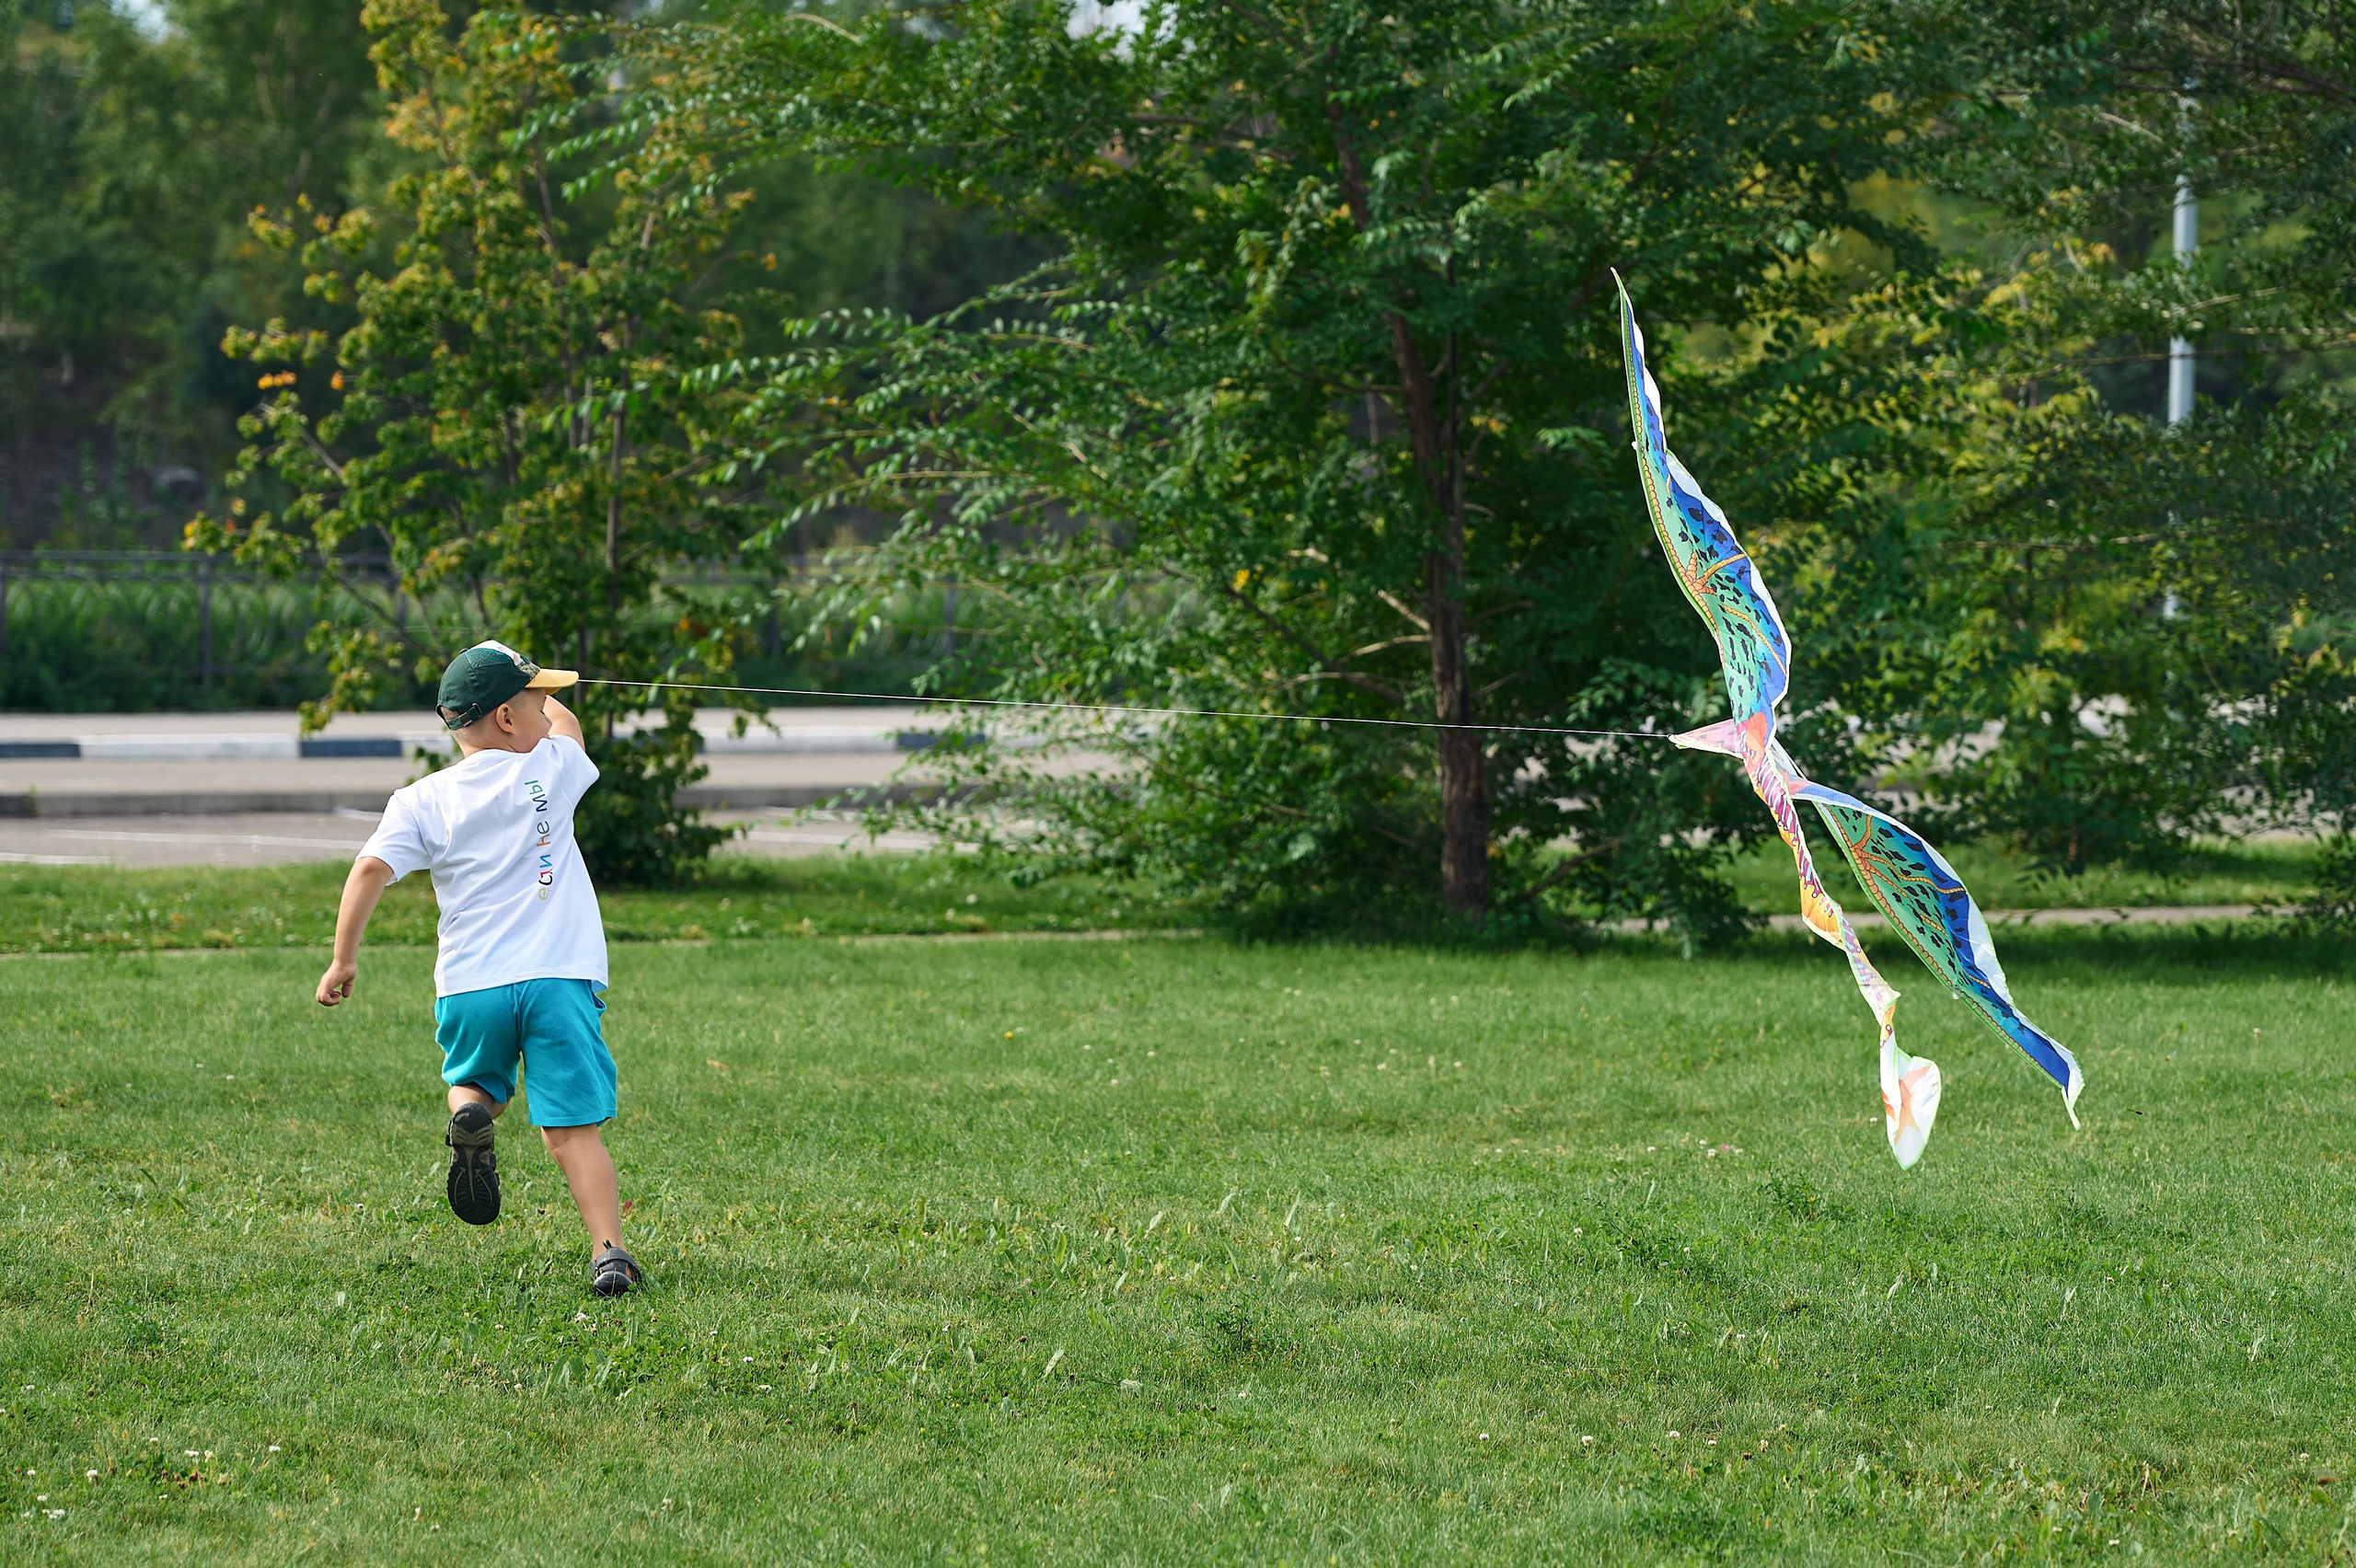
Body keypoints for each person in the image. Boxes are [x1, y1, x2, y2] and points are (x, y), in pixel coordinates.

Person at [314, 640, 640, 1297]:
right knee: (572, 1130)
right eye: (534, 701)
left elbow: (370, 868)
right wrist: (555, 696)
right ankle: (610, 1252)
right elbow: (569, 729)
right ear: (508, 720)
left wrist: (344, 957)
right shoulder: (550, 766)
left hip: (471, 985)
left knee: (474, 1082)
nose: (548, 712)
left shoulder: (422, 800)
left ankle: (470, 1116)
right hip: (557, 978)